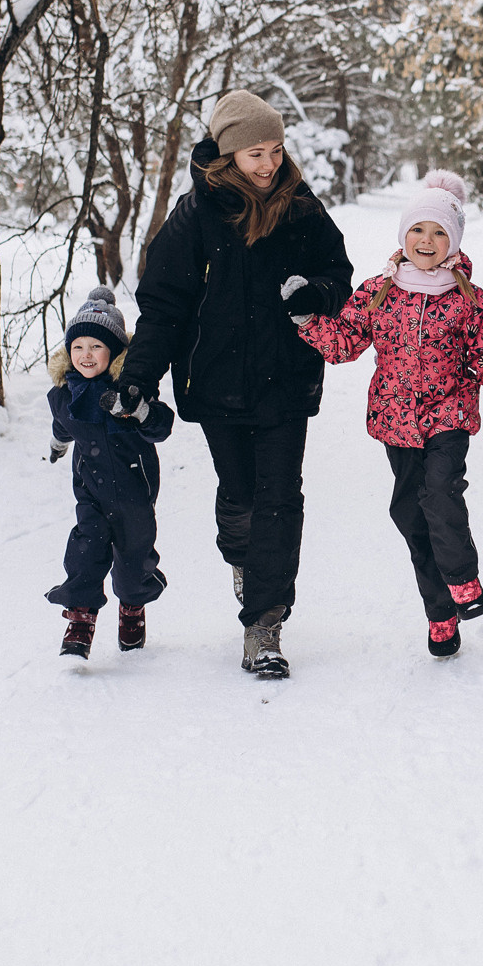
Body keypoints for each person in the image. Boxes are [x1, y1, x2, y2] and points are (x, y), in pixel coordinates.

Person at [112, 91, 354, 679]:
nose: (269, 164)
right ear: (226, 155)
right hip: (216, 384)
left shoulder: (300, 207)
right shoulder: (194, 217)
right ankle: (244, 561)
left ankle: (264, 623)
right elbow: (164, 308)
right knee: (240, 496)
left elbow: (338, 275)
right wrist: (139, 376)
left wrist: (313, 293)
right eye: (254, 154)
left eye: (274, 150)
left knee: (280, 498)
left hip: (287, 382)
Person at [296, 171, 483, 659]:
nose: (427, 241)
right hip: (395, 421)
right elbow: (345, 343)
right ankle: (440, 614)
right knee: (410, 514)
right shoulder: (379, 291)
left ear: (452, 241)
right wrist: (308, 320)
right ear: (403, 234)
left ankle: (464, 581)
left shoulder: (467, 298)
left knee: (440, 494)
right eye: (418, 230)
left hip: (449, 414)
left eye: (438, 232)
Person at [44, 287, 174, 659]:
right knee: (86, 548)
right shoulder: (65, 394)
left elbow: (161, 427)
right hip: (91, 490)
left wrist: (136, 410)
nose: (86, 355)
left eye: (96, 347)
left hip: (135, 488)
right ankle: (81, 617)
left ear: (114, 351)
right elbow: (62, 424)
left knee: (134, 558)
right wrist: (57, 446)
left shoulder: (130, 388)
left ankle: (132, 606)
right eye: (79, 347)